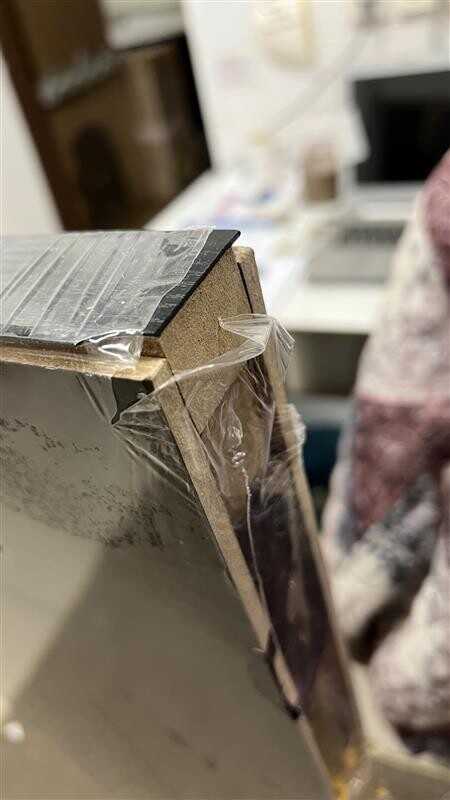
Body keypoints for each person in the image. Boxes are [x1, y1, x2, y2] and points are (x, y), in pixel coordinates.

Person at [321, 151, 450, 758]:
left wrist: (392, 686)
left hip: (411, 685)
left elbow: (430, 674)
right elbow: (376, 402)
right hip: (381, 530)